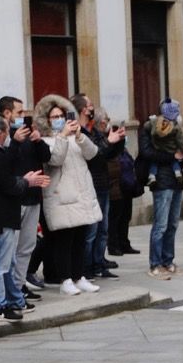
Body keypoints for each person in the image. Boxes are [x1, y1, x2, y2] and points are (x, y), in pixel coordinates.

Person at [0, 113, 50, 323]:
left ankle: (14, 299)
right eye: (7, 130)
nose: (10, 133)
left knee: (7, 262)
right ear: (0, 133)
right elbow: (8, 185)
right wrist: (27, 181)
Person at [36, 94, 102, 296]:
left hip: (80, 194)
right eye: (54, 116)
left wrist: (80, 136)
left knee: (80, 239)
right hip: (61, 197)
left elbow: (92, 153)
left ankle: (79, 276)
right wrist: (63, 136)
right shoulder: (46, 141)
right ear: (47, 120)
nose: (58, 119)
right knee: (64, 241)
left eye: (61, 115)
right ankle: (64, 279)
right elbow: (55, 160)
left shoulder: (75, 137)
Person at [142, 99, 183, 279]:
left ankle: (168, 261)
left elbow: (180, 157)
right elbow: (147, 153)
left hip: (176, 181)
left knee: (172, 224)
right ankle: (155, 264)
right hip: (161, 181)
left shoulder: (175, 127)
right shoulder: (149, 127)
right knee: (161, 224)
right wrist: (173, 155)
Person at [73, 96, 125, 281]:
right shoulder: (78, 133)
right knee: (91, 232)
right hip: (89, 185)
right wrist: (108, 142)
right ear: (81, 110)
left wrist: (118, 140)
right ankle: (86, 268)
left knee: (103, 229)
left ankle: (99, 263)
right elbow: (95, 154)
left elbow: (107, 154)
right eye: (88, 106)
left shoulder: (94, 131)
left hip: (103, 184)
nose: (91, 109)